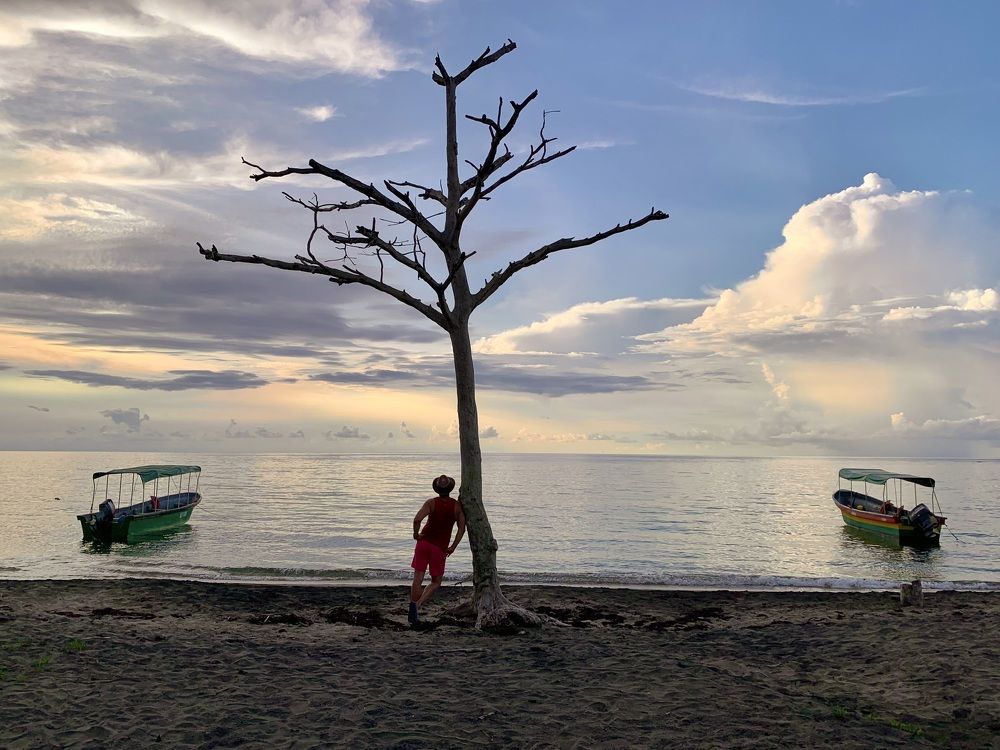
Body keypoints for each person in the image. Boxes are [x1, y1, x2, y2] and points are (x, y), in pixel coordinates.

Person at [408, 474, 465, 625]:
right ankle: (417, 605)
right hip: (440, 548)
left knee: (417, 578)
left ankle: (413, 606)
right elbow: (461, 529)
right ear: (451, 489)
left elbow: (417, 519)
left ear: (437, 489)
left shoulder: (431, 503)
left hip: (424, 543)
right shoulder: (457, 506)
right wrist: (453, 546)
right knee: (436, 581)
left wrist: (416, 534)